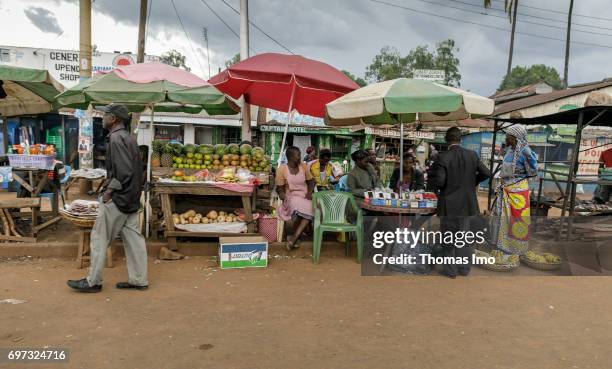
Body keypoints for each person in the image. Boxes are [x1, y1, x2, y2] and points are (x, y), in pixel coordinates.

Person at [68, 104, 148, 293]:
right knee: (134, 240)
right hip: (132, 198)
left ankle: (93, 281)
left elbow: (123, 172)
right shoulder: (129, 138)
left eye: (105, 115)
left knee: (98, 237)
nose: (102, 118)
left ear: (114, 119)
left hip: (119, 198)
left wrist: (108, 193)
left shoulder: (116, 138)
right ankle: (139, 280)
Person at [428, 127, 491, 278]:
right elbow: (487, 173)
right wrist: (472, 182)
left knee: (448, 237)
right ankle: (464, 269)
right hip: (467, 203)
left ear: (446, 140)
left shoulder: (443, 157)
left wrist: (440, 186)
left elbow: (441, 181)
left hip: (449, 204)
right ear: (460, 139)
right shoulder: (472, 155)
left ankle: (450, 271)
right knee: (463, 236)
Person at [493, 124, 538, 256]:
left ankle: (516, 248)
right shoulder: (510, 150)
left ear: (515, 137)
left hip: (517, 192)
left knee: (517, 219)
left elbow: (533, 172)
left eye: (508, 136)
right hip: (506, 189)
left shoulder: (526, 152)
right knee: (502, 218)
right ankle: (502, 245)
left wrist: (515, 182)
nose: (506, 138)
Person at [276, 146, 315, 251]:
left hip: (305, 195)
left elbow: (311, 181)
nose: (300, 157)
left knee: (310, 207)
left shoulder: (303, 166)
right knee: (305, 208)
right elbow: (279, 188)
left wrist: (310, 193)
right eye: (297, 155)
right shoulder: (282, 169)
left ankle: (294, 238)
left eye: (300, 155)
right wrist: (282, 195)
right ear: (290, 157)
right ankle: (295, 237)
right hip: (291, 196)